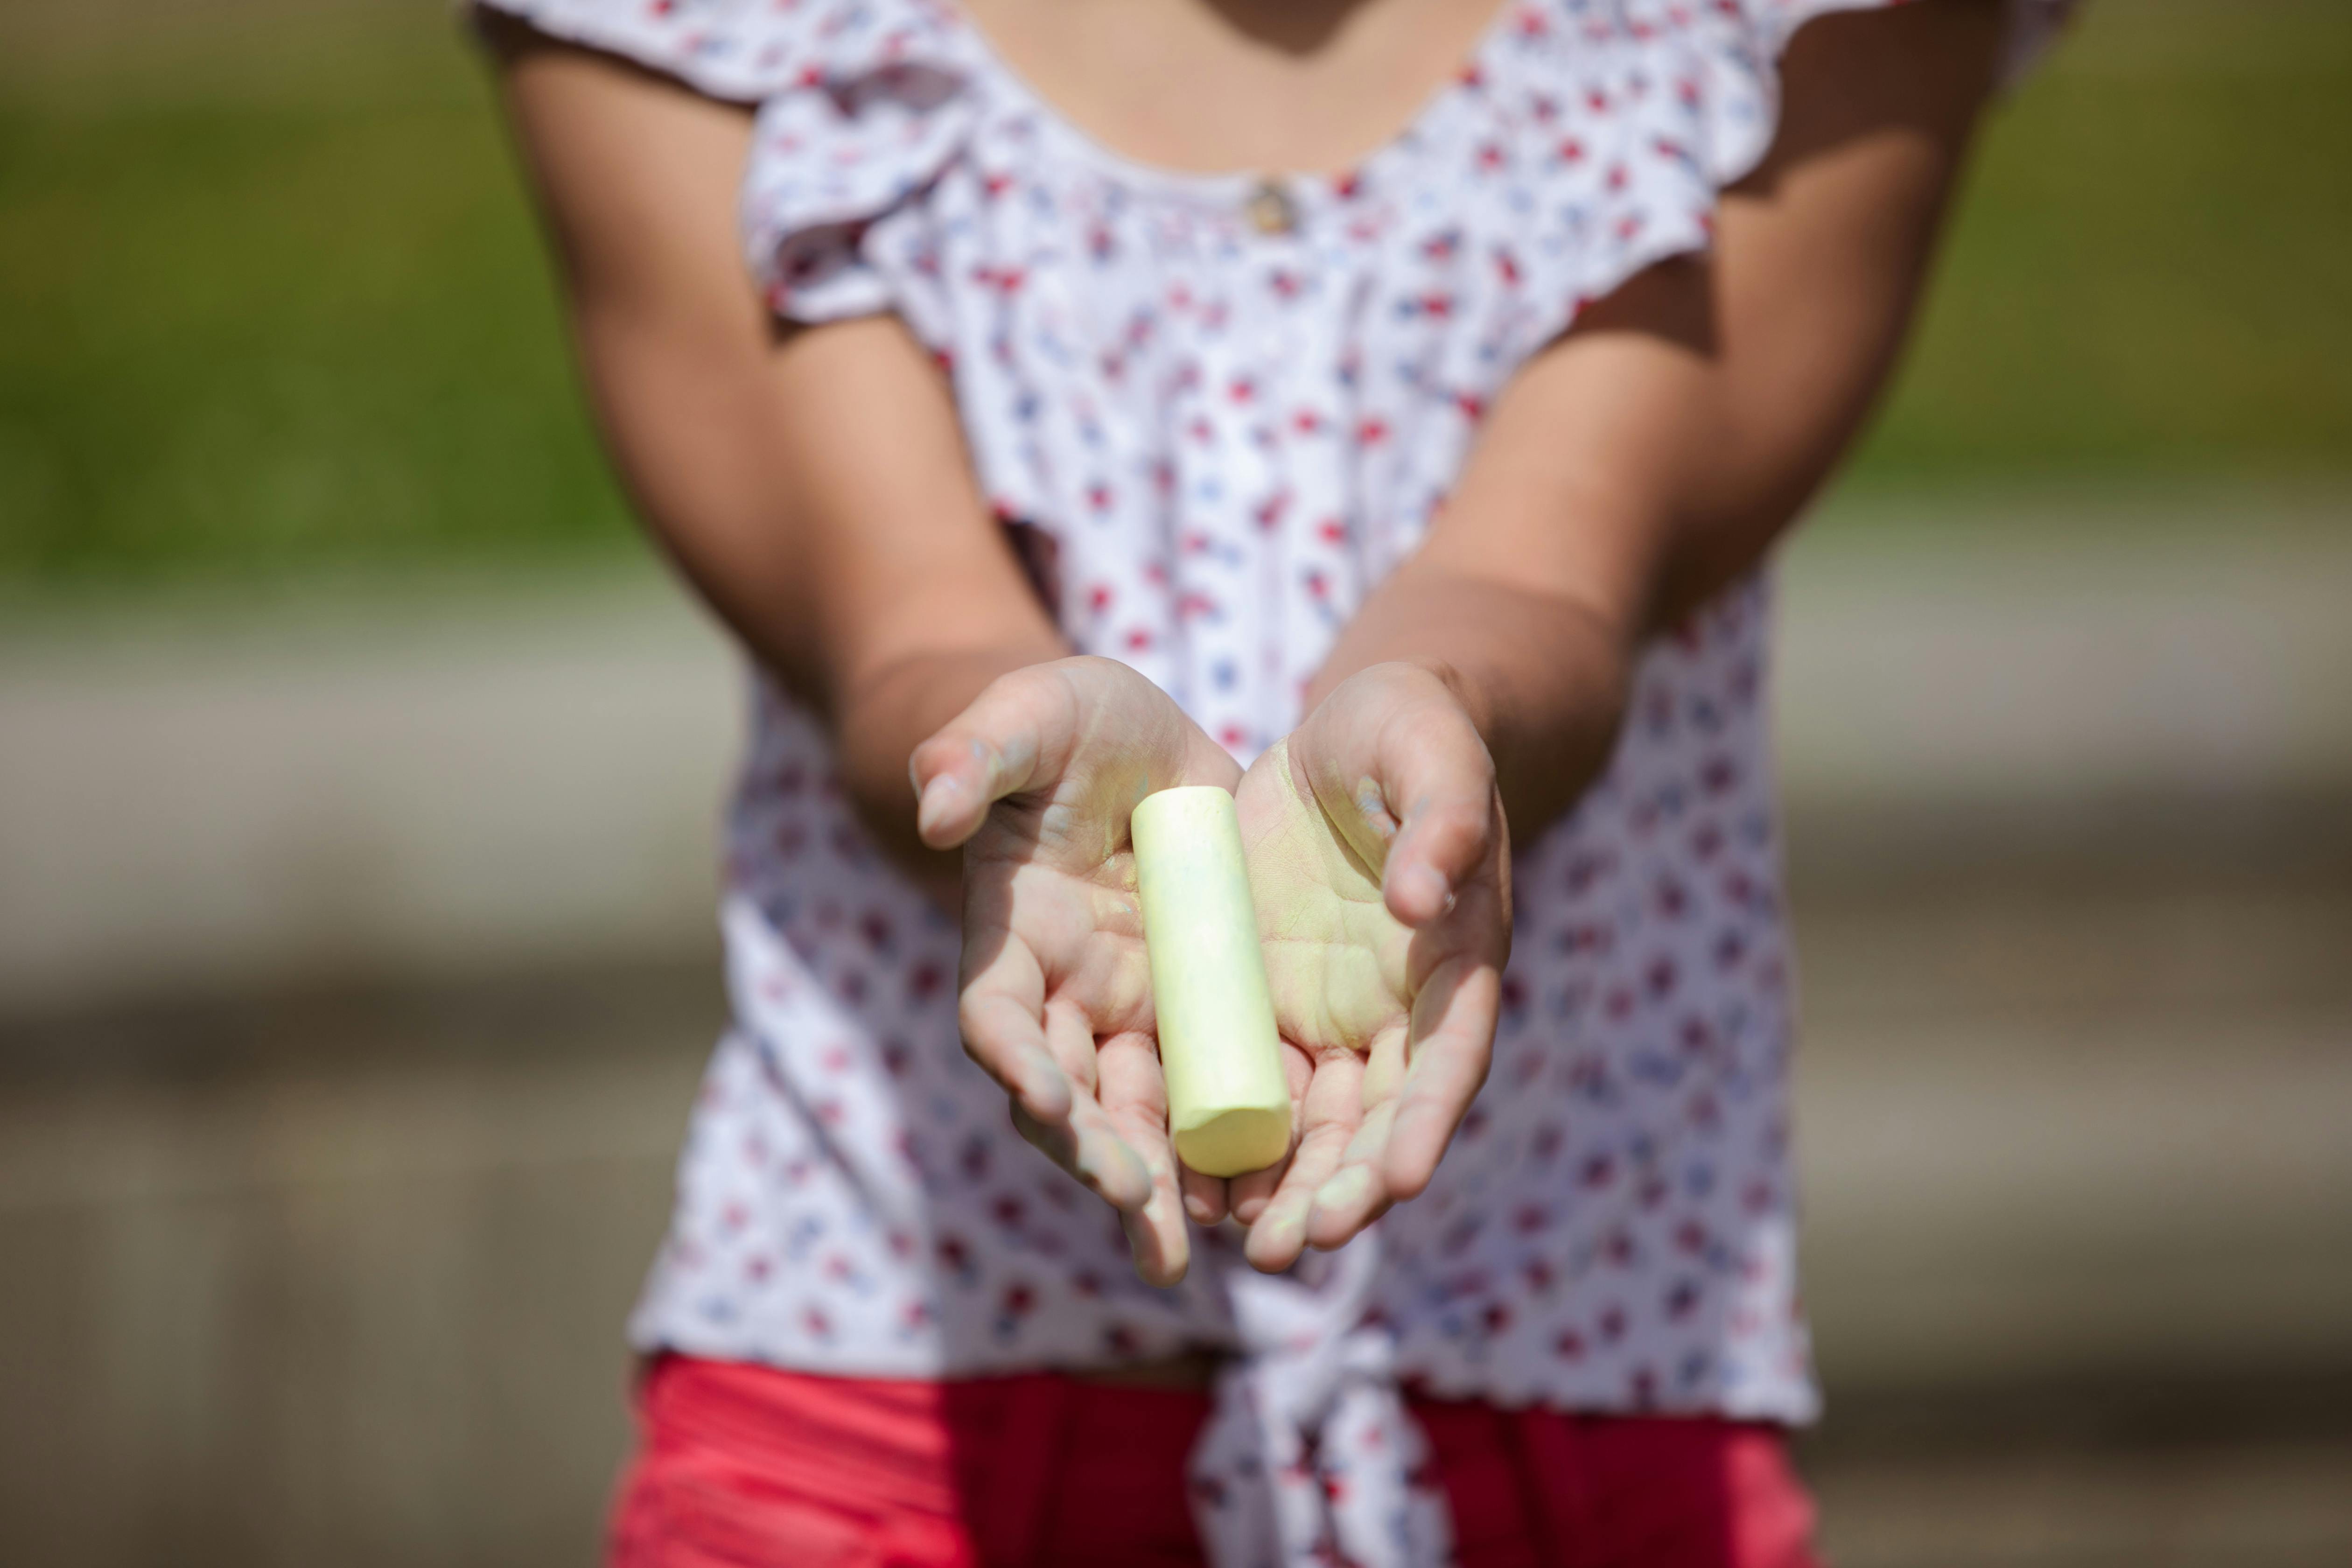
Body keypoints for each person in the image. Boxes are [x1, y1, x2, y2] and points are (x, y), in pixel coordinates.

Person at [475, 2, 2072, 1563]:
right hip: (892, 1403)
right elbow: (897, 618)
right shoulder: (742, 30)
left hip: (1575, 1387)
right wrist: (1013, 760)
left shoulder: (1724, 34)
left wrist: (1440, 726)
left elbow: (1560, 574)